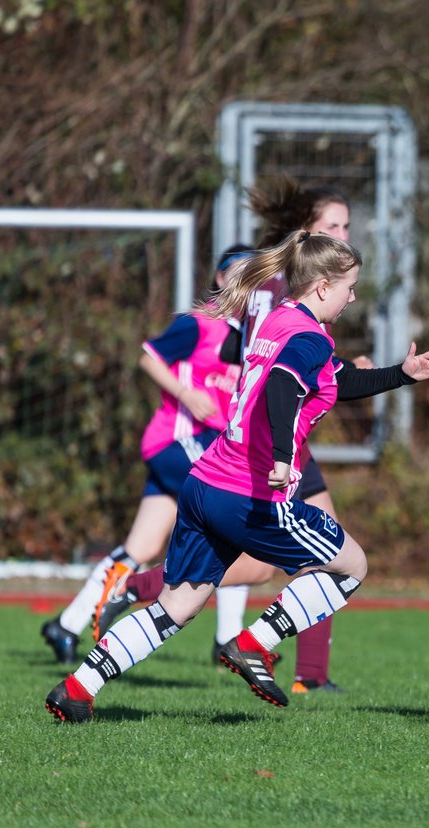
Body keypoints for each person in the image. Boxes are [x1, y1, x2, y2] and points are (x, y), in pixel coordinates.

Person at [45, 230, 429, 722]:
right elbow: (283, 385)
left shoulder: (278, 321)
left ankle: (77, 688)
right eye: (351, 286)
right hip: (247, 491)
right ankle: (254, 643)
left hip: (204, 482)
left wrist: (401, 374)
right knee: (352, 566)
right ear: (323, 286)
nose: (353, 296)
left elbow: (337, 380)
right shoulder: (307, 337)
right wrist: (282, 457)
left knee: (177, 606)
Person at [96, 178, 357, 694]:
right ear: (309, 232)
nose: (344, 233)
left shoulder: (275, 280)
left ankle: (298, 667)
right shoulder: (292, 284)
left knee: (269, 567)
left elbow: (249, 357)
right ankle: (297, 668)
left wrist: (347, 373)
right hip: (275, 437)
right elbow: (276, 369)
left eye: (346, 226)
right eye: (334, 225)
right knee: (330, 554)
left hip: (271, 429)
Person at [40, 244, 257, 665]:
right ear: (219, 278)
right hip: (177, 442)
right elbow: (149, 357)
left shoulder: (251, 337)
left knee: (139, 546)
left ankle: (66, 625)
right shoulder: (200, 324)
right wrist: (186, 394)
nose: (246, 282)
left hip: (202, 449)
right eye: (238, 272)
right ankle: (228, 641)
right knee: (235, 513)